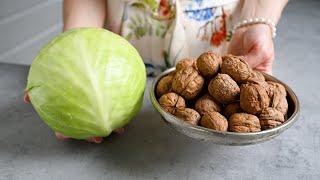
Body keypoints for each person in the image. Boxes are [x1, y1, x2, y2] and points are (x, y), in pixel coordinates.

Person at [25, 0, 289, 143]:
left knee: (215, 92)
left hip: (224, 39)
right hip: (126, 55)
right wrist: (72, 66)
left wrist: (257, 22)